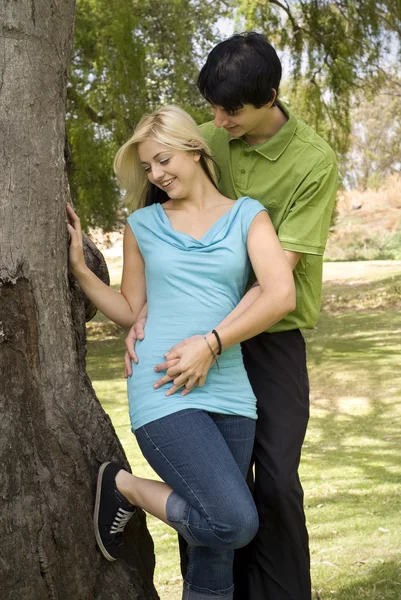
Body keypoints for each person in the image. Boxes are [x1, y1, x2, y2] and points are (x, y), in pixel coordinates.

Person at [124, 34, 338, 600]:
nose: (217, 120)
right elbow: (164, 234)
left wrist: (213, 340)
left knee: (273, 482)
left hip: (268, 334)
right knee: (208, 486)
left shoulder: (312, 162)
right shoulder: (209, 135)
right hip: (198, 332)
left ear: (269, 97)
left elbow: (275, 283)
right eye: (212, 108)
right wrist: (143, 314)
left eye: (230, 111)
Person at [66, 105, 295, 600]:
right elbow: (132, 309)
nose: (157, 174)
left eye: (163, 159)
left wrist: (212, 345)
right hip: (163, 386)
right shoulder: (143, 224)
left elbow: (280, 294)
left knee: (215, 556)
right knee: (233, 521)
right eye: (148, 167)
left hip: (231, 389)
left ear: (196, 149)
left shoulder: (246, 215)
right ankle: (124, 487)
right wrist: (83, 275)